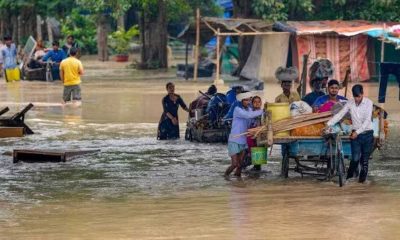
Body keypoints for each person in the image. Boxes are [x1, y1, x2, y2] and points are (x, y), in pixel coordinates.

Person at [326, 84, 374, 183]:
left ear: (362, 94)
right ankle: (348, 179)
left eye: (359, 96)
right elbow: (340, 115)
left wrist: (357, 132)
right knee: (355, 159)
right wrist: (329, 124)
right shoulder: (350, 103)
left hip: (367, 134)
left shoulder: (369, 103)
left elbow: (367, 120)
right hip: (355, 135)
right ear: (353, 95)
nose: (357, 99)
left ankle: (361, 184)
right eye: (355, 96)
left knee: (364, 162)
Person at [225, 92, 263, 178]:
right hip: (234, 140)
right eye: (246, 100)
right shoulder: (237, 110)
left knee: (240, 165)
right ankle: (225, 176)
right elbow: (248, 115)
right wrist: (262, 111)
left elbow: (252, 121)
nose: (248, 102)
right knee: (234, 164)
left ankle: (239, 184)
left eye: (249, 100)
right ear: (242, 101)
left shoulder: (249, 110)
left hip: (243, 141)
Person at [247, 96, 263, 171]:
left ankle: (257, 166)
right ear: (252, 103)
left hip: (261, 133)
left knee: (260, 148)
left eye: (258, 102)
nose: (257, 103)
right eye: (255, 102)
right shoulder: (250, 112)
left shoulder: (263, 112)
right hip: (251, 133)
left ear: (261, 103)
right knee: (252, 148)